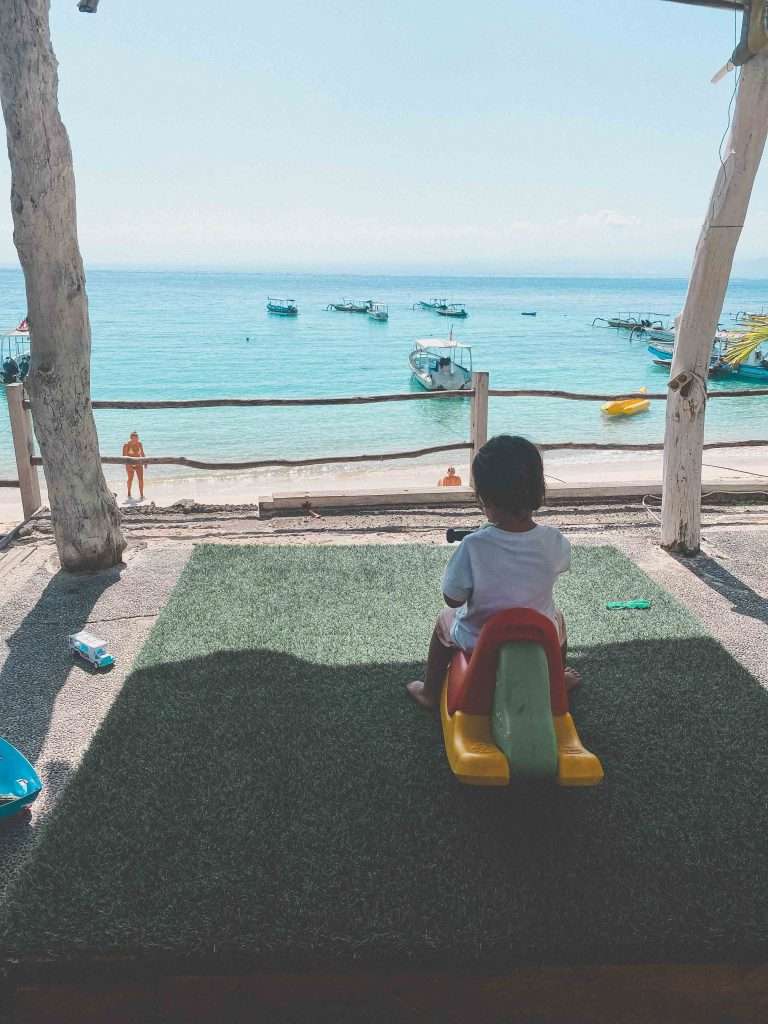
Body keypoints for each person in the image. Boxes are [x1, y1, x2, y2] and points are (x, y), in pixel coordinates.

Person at [408, 434, 579, 710]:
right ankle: (556, 681)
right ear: (538, 490)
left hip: (479, 642)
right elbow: (560, 567)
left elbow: (452, 599)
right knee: (557, 619)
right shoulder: (553, 540)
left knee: (443, 621)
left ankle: (429, 692)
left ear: (484, 499)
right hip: (537, 640)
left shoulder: (474, 546)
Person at [122, 431, 146, 500]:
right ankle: (129, 493)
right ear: (131, 438)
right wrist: (128, 466)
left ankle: (141, 495)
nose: (135, 440)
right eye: (134, 438)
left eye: (137, 438)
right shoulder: (126, 445)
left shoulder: (140, 444)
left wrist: (145, 462)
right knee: (130, 479)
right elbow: (124, 457)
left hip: (139, 464)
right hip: (129, 464)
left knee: (141, 479)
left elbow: (142, 453)